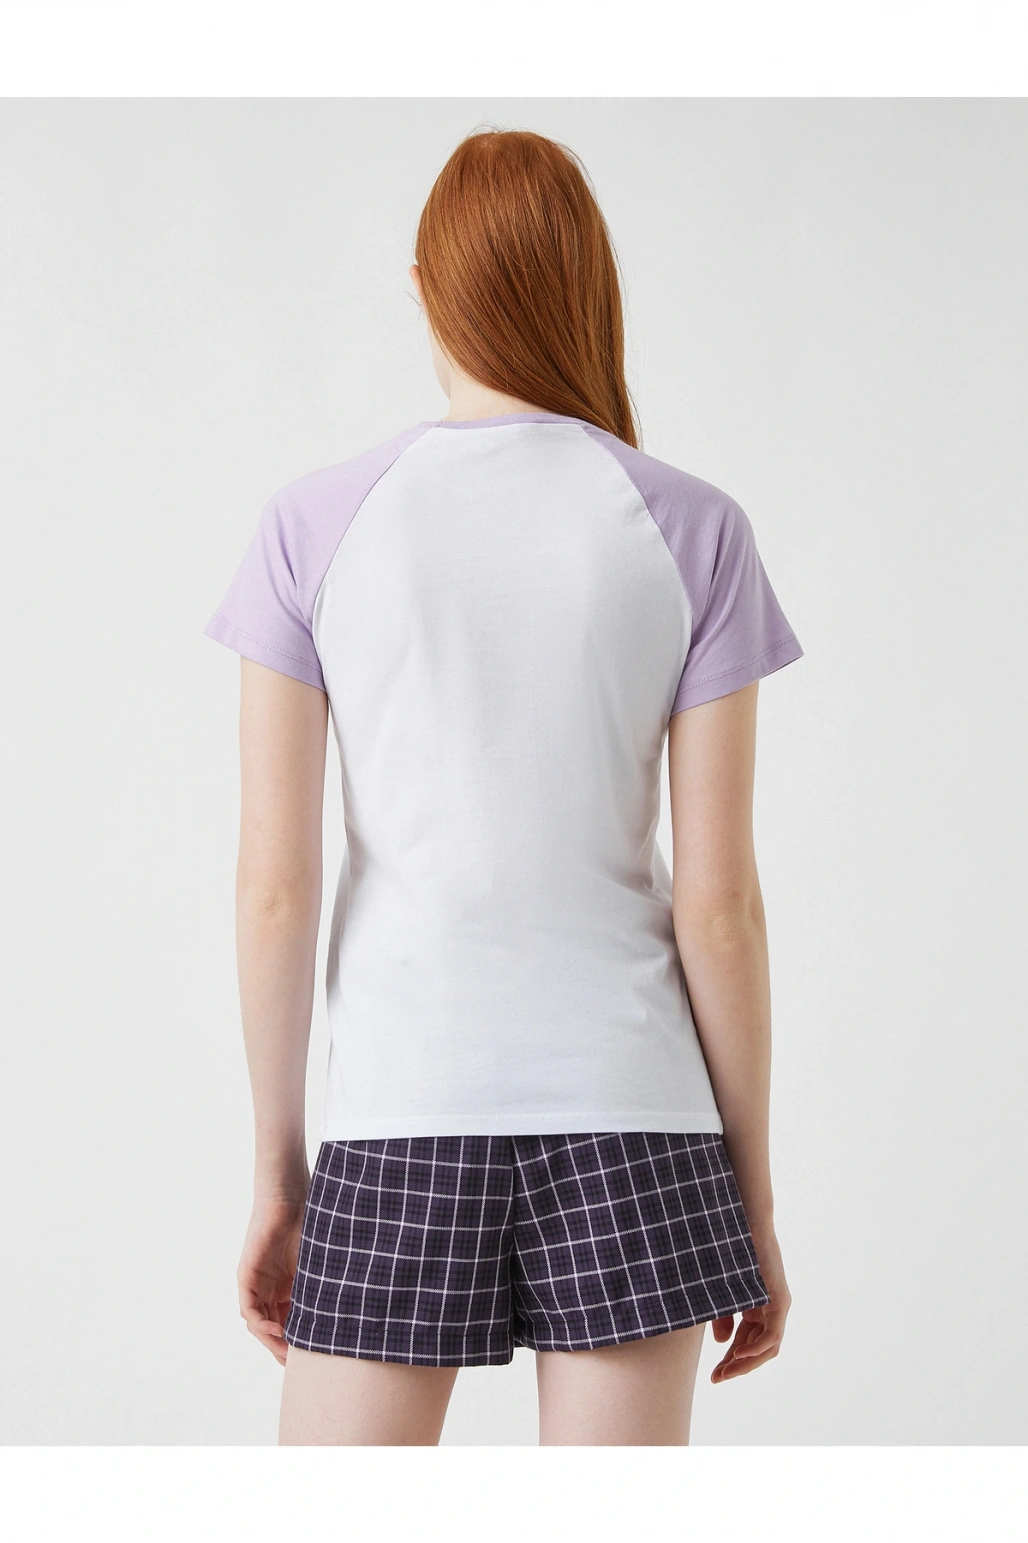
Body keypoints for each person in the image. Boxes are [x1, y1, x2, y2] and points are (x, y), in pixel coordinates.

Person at [204, 127, 804, 1447]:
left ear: (427, 287)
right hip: (638, 1123)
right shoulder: (692, 526)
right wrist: (750, 1199)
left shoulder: (315, 523)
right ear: (589, 286)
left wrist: (277, 1170)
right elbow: (719, 908)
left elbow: (274, 888)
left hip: (398, 1110)